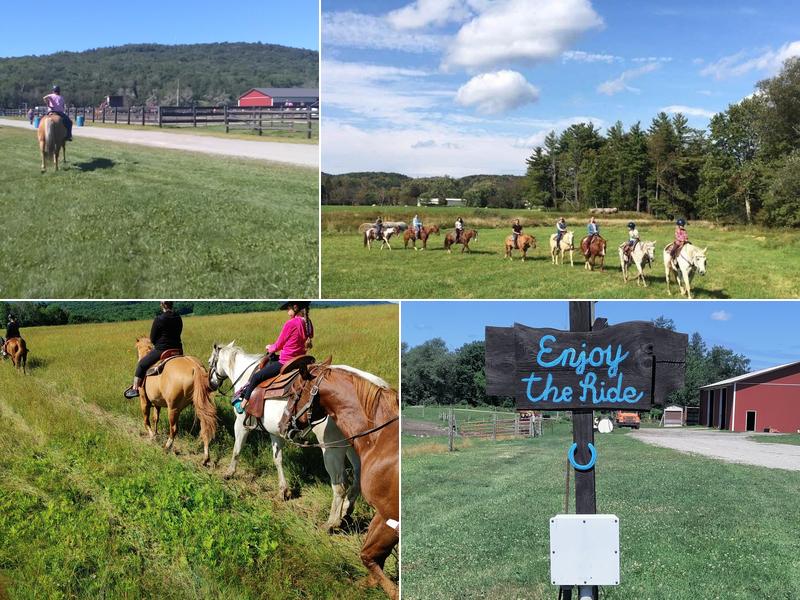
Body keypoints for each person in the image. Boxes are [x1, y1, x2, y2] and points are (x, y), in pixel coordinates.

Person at [232, 301, 314, 413]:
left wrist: (269, 347)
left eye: (288, 308)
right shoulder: (308, 324)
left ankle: (242, 404)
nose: (287, 310)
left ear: (295, 307)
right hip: (300, 360)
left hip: (286, 362)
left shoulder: (290, 323)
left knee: (256, 377)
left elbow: (278, 345)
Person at [124, 301, 183, 399]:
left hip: (162, 350)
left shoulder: (159, 319)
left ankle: (135, 389)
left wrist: (158, 344)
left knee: (141, 364)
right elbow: (179, 332)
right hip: (178, 350)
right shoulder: (178, 317)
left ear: (162, 305)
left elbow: (152, 338)